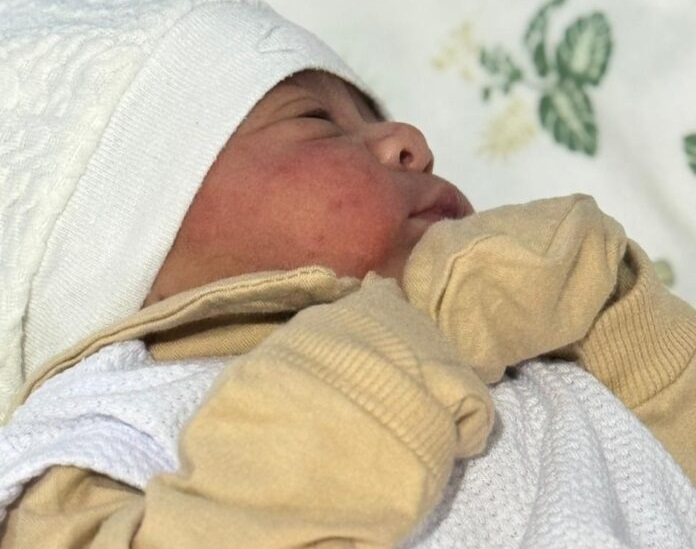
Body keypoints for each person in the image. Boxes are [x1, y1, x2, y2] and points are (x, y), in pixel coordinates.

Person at [0, 1, 694, 548]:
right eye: (318, 120)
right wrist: (404, 343)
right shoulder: (98, 428)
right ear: (129, 243)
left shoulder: (527, 345)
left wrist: (613, 308)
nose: (411, 141)